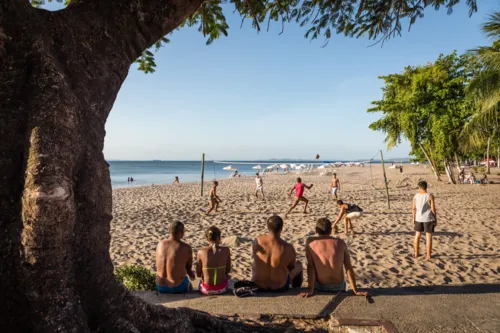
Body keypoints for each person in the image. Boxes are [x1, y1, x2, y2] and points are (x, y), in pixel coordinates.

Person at [298, 218, 369, 298]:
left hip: (320, 286)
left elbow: (310, 267)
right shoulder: (340, 242)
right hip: (338, 286)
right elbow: (348, 267)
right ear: (331, 230)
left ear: (316, 230)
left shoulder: (311, 243)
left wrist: (310, 289)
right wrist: (355, 290)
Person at [252, 215, 303, 292]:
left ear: (267, 227)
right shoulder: (288, 247)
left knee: (255, 263)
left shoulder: (257, 241)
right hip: (279, 287)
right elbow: (291, 267)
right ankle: (295, 290)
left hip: (258, 286)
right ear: (281, 229)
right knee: (299, 265)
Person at [155, 221, 195, 293]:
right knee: (190, 285)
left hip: (160, 286)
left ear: (169, 231)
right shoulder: (186, 247)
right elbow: (189, 269)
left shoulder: (159, 244)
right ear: (181, 233)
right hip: (177, 287)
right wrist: (191, 275)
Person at [196, 226, 231, 295]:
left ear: (207, 238)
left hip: (206, 289)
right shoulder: (226, 250)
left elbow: (198, 274)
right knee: (228, 279)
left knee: (201, 282)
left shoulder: (200, 252)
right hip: (222, 289)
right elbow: (228, 270)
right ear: (219, 237)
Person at [412, 181, 437, 259]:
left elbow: (413, 208)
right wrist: (435, 219)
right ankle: (428, 255)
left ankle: (416, 254)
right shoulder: (430, 196)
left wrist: (414, 218)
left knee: (417, 236)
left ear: (419, 187)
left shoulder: (416, 196)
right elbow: (433, 209)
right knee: (428, 236)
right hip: (428, 218)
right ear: (426, 187)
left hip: (418, 218)